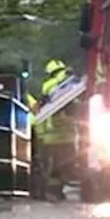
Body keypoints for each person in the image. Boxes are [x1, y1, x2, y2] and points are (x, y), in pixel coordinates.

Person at [30, 59, 78, 200]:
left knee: (52, 168)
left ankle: (53, 193)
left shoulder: (49, 85)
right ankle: (57, 192)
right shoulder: (71, 81)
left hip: (52, 137)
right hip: (69, 136)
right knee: (65, 167)